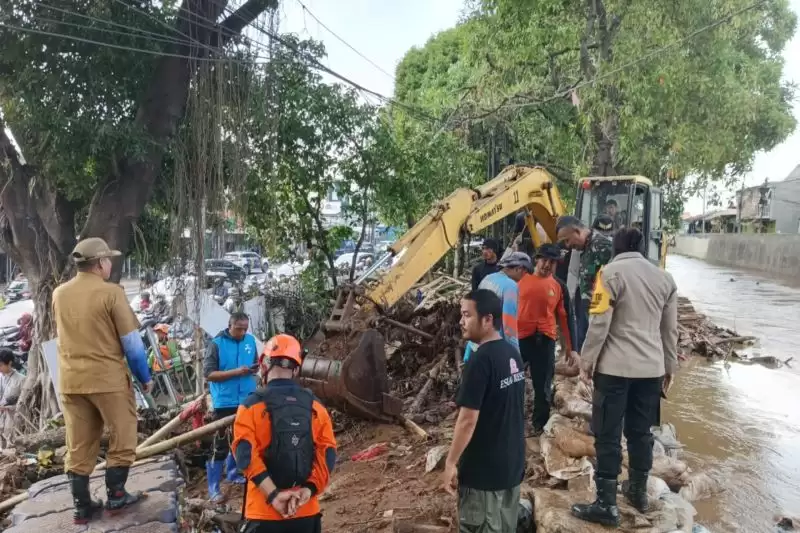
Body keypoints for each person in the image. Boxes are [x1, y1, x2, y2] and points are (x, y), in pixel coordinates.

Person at [571, 228, 679, 527]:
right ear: (643, 248)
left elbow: (599, 321)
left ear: (616, 248)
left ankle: (606, 505)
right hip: (651, 370)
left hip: (614, 370)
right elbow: (669, 330)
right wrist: (670, 367)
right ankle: (637, 493)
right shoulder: (665, 279)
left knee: (607, 434)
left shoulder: (609, 273)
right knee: (640, 433)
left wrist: (586, 362)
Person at [53, 237, 153, 524]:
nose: (111, 263)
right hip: (107, 379)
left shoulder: (59, 294)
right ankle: (117, 495)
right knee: (123, 433)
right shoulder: (112, 293)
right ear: (99, 264)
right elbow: (132, 344)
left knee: (79, 442)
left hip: (71, 381)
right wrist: (144, 378)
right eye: (109, 259)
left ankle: (82, 506)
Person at [232, 334, 337, 533]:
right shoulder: (315, 406)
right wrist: (309, 490)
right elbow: (328, 452)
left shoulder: (249, 407)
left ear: (263, 364)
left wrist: (273, 495)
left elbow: (245, 456)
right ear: (296, 368)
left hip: (263, 513)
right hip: (305, 511)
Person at [443, 290, 525, 533]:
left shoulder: (480, 362)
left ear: (487, 320)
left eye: (467, 315)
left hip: (483, 475)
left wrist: (450, 462)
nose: (461, 321)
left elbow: (467, 421)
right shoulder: (512, 354)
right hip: (510, 467)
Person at [517, 244, 579, 435]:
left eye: (552, 262)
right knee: (512, 382)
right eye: (544, 260)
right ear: (536, 259)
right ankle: (513, 420)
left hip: (545, 340)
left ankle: (538, 425)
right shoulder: (520, 280)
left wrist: (571, 347)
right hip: (519, 339)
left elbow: (566, 317)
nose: (547, 265)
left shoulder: (559, 286)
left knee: (543, 385)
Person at [203, 312, 259, 502]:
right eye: (238, 328)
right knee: (220, 444)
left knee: (242, 438)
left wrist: (254, 369)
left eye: (245, 328)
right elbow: (209, 374)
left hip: (246, 399)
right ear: (230, 325)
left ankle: (234, 472)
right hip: (224, 402)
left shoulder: (250, 341)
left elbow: (254, 364)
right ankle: (213, 487)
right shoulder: (216, 344)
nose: (242, 332)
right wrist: (237, 372)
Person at [556, 216, 613, 351]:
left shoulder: (602, 246)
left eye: (567, 240)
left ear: (577, 231)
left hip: (602, 312)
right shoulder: (585, 248)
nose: (568, 245)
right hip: (589, 310)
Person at [463, 251, 531, 362]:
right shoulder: (510, 286)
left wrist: (468, 350)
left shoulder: (487, 279)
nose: (523, 277)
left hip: (476, 345)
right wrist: (516, 356)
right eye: (525, 272)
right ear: (519, 268)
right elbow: (509, 327)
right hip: (493, 349)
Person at [0, 349, 25, 449]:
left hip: (12, 420)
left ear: (9, 363)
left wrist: (9, 408)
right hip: (1, 419)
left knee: (11, 445)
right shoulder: (0, 377)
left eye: (1, 365)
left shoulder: (21, 380)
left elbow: (24, 404)